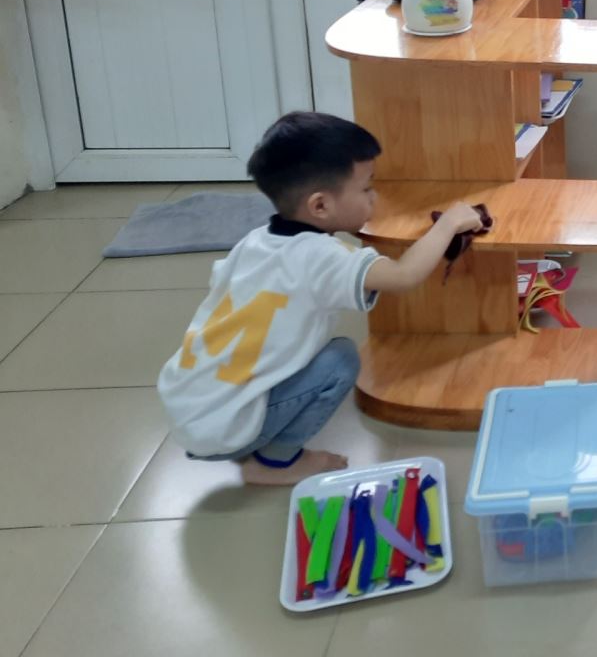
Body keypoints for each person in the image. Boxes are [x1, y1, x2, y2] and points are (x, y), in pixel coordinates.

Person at [156, 112, 486, 485]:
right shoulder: (323, 257)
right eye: (366, 189)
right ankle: (276, 463)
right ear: (320, 206)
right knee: (340, 359)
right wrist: (449, 223)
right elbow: (404, 275)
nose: (375, 197)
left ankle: (247, 425)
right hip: (223, 432)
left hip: (187, 403)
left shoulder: (254, 241)